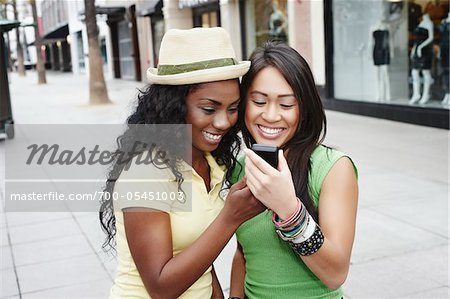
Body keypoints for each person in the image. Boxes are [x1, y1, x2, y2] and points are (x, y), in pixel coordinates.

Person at [99, 27, 265, 299]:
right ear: (173, 105)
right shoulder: (146, 168)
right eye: (209, 109)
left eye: (233, 108)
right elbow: (161, 287)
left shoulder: (212, 160)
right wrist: (230, 217)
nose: (224, 122)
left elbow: (199, 253)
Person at [228, 42, 359, 299]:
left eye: (286, 105)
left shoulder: (333, 168)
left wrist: (289, 211)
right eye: (259, 101)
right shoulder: (243, 167)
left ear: (304, 108)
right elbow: (244, 253)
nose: (271, 115)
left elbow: (335, 273)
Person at [409, 13, 434, 105]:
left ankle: (426, 94)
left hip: (425, 50)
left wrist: (420, 47)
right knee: (414, 72)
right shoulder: (421, 23)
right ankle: (416, 94)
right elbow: (417, 39)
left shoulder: (429, 23)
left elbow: (431, 38)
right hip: (417, 49)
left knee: (425, 72)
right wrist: (414, 49)